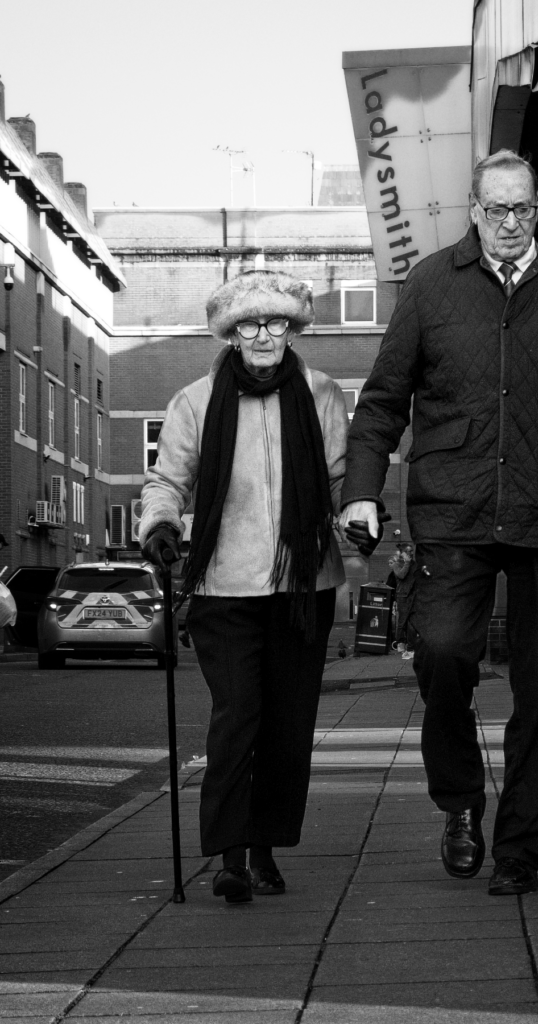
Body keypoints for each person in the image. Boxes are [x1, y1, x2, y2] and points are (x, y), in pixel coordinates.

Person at [340, 149, 538, 896]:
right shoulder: (431, 284)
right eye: (495, 209)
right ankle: (460, 802)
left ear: (537, 209)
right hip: (454, 509)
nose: (509, 223)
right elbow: (381, 401)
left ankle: (520, 851)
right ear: (473, 210)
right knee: (441, 656)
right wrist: (360, 492)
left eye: (522, 209)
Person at [140, 270, 348, 904]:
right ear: (231, 335)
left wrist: (357, 517)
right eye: (250, 325)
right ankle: (230, 855)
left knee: (287, 724)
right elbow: (167, 482)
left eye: (276, 323)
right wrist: (160, 524)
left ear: (292, 329)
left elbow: (338, 480)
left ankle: (264, 848)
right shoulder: (195, 401)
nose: (264, 335)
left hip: (303, 588)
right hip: (223, 586)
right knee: (237, 717)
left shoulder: (321, 394)